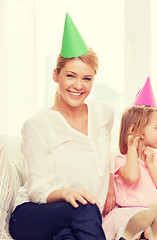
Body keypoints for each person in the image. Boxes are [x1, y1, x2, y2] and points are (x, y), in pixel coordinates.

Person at [9, 13, 115, 240]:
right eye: (70, 76)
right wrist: (67, 193)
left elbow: (103, 159)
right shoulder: (36, 125)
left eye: (87, 79)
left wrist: (112, 186)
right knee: (85, 208)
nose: (78, 85)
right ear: (55, 75)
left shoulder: (105, 114)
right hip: (32, 215)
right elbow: (37, 190)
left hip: (79, 219)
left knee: (70, 235)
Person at [102, 77, 157, 240]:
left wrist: (151, 164)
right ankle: (128, 233)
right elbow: (132, 177)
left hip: (156, 214)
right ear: (139, 131)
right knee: (129, 220)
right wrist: (132, 147)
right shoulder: (121, 159)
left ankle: (153, 235)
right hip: (128, 212)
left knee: (156, 221)